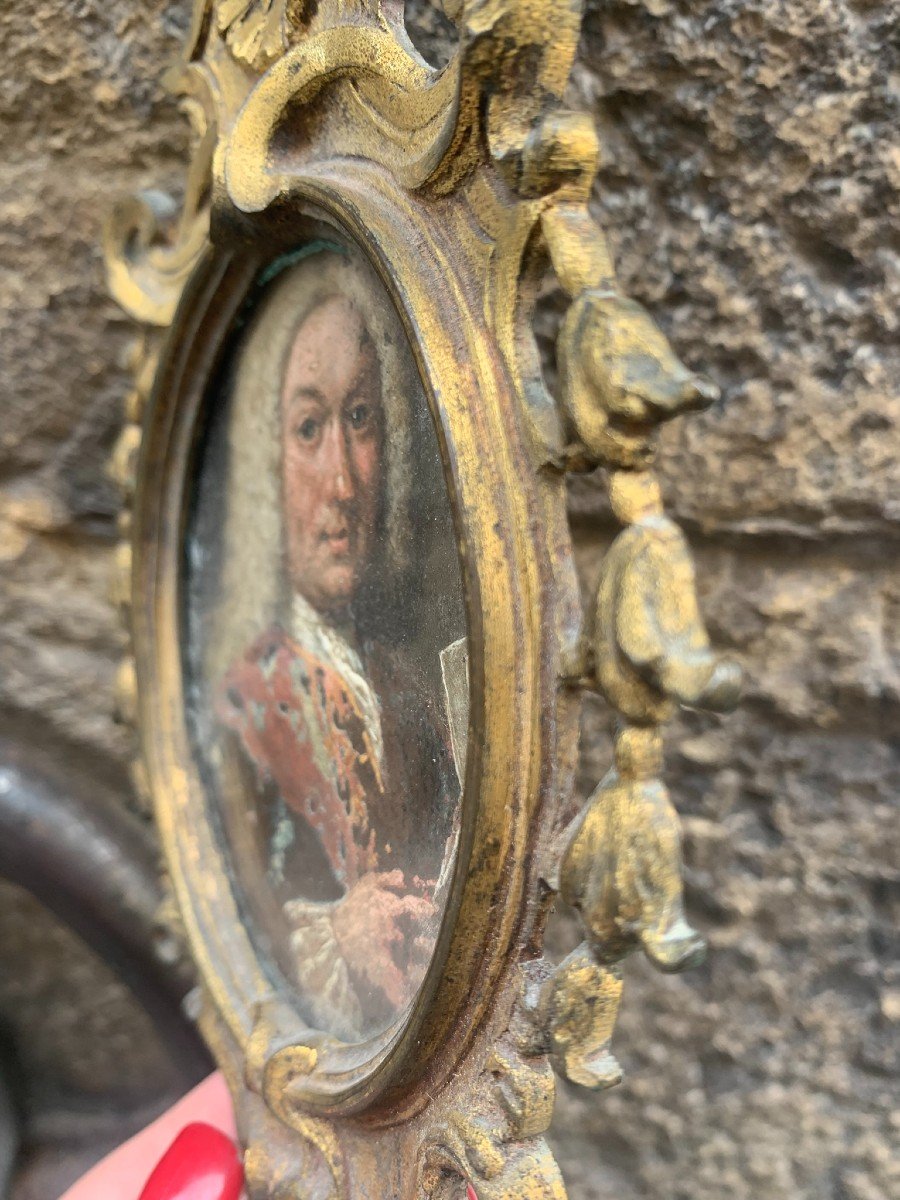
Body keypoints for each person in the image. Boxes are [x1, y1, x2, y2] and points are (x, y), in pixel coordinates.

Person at [213, 273, 459, 1042]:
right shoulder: (246, 705)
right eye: (309, 428)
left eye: (362, 420)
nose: (343, 482)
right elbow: (238, 938)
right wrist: (340, 938)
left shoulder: (409, 686)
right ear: (265, 462)